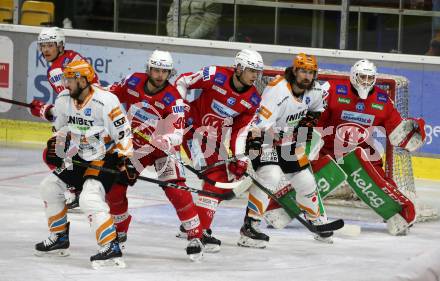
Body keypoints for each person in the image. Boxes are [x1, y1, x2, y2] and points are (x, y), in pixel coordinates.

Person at [34, 60, 133, 269]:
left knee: (89, 197)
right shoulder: (63, 100)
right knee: (49, 186)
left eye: (69, 79)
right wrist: (57, 147)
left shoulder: (105, 100)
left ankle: (110, 245)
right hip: (78, 156)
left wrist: (125, 159)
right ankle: (59, 236)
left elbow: (123, 132)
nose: (65, 83)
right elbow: (60, 129)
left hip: (105, 156)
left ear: (83, 80)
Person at [108, 50, 205, 261]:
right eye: (156, 69)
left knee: (176, 190)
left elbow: (178, 134)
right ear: (148, 68)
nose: (160, 74)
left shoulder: (174, 99)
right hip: (137, 148)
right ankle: (120, 230)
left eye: (164, 71)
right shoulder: (133, 81)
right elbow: (109, 95)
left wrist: (165, 140)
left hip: (163, 150)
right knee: (115, 185)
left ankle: (195, 236)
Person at [316, 59, 425, 235]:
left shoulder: (382, 100)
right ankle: (285, 204)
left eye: (369, 78)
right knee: (305, 177)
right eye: (362, 77)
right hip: (327, 148)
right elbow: (314, 118)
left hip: (360, 151)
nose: (366, 82)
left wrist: (412, 131)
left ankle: (398, 211)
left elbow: (397, 131)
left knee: (379, 177)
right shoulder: (333, 90)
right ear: (353, 76)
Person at [238, 53, 331, 248]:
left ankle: (317, 221)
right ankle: (250, 227)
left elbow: (316, 109)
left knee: (306, 180)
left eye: (311, 72)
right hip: (266, 139)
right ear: (295, 71)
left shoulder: (314, 89)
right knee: (269, 176)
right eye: (303, 71)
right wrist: (254, 146)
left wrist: (306, 125)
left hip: (288, 142)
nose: (307, 76)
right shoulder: (277, 90)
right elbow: (258, 125)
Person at [175, 49, 264, 253]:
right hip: (191, 130)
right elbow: (182, 81)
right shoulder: (214, 75)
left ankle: (191, 222)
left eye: (257, 72)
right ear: (239, 67)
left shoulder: (252, 100)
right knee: (215, 177)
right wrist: (179, 109)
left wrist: (239, 156)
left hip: (211, 139)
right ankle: (200, 231)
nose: (254, 76)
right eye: (251, 70)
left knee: (225, 183)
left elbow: (240, 132)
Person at [29, 27, 99, 209]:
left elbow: (71, 106)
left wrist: (46, 111)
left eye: (50, 45)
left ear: (60, 45)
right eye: (43, 46)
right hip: (96, 115)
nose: (46, 50)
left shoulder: (55, 71)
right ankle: (80, 188)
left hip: (84, 122)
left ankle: (78, 189)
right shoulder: (73, 56)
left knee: (51, 154)